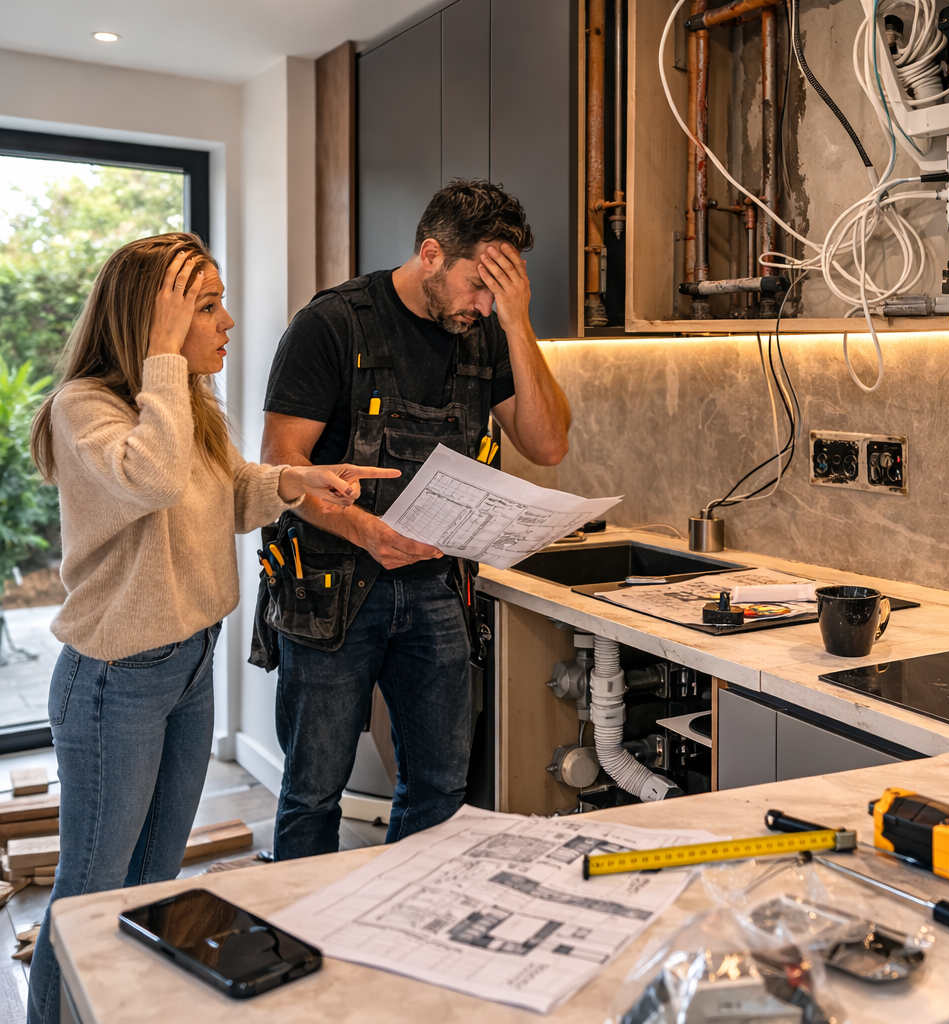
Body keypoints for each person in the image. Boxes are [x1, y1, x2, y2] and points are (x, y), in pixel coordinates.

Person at [25, 233, 396, 1024]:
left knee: (154, 881)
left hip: (191, 666)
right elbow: (155, 481)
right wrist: (165, 357)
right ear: (153, 320)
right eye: (205, 305)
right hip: (115, 681)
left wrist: (297, 480)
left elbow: (229, 495)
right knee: (91, 892)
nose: (227, 321)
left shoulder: (186, 403)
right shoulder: (84, 408)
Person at [258, 178, 570, 858]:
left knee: (438, 787)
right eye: (479, 285)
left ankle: (403, 911)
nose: (483, 305)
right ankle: (304, 922)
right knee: (314, 792)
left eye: (499, 291)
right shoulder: (331, 324)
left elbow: (547, 445)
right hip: (331, 589)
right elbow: (281, 469)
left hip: (435, 589)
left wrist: (518, 323)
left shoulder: (487, 332)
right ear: (431, 254)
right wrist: (365, 531)